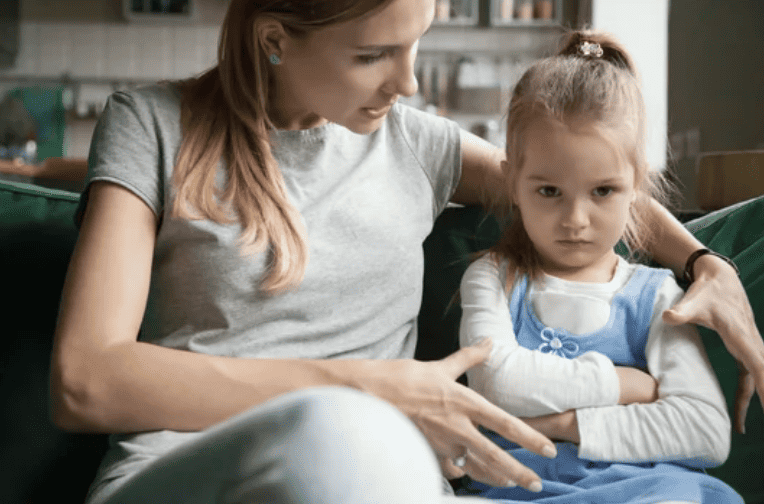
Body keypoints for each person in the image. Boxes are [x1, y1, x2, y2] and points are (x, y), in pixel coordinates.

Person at [47, 0, 760, 502]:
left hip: (392, 481)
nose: (409, 82)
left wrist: (704, 263)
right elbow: (85, 379)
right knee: (342, 432)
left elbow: (583, 185)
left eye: (416, 41)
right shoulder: (151, 126)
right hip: (197, 472)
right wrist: (364, 387)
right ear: (274, 39)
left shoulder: (417, 144)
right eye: (373, 55)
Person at [458, 30, 744, 503]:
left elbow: (705, 430)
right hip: (516, 489)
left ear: (636, 185)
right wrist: (626, 384)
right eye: (549, 192)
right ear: (511, 182)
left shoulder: (658, 296)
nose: (575, 220)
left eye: (603, 191)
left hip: (641, 490)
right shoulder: (493, 277)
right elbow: (498, 382)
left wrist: (563, 424)